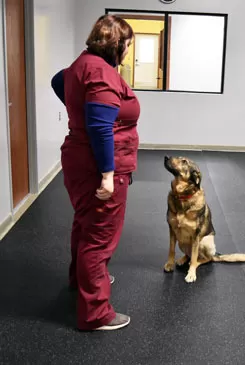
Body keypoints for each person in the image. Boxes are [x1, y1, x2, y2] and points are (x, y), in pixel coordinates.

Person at [51, 15, 140, 331]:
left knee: (84, 221)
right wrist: (106, 174)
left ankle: (82, 278)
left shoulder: (83, 63)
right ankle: (95, 313)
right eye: (128, 45)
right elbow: (101, 126)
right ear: (117, 44)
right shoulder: (101, 72)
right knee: (100, 237)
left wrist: (77, 108)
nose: (129, 52)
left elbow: (57, 81)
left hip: (77, 158)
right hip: (99, 164)